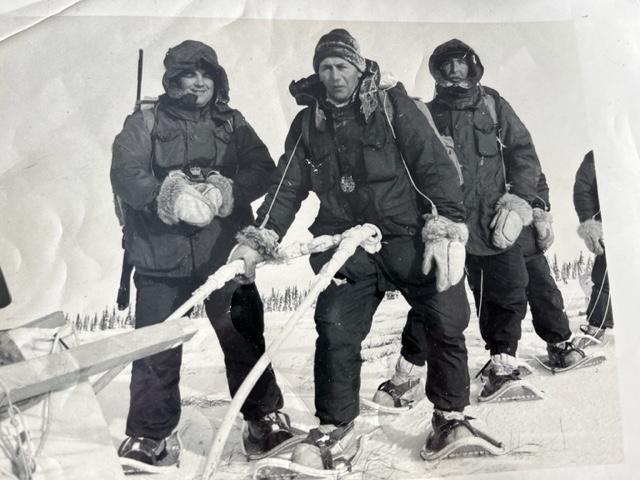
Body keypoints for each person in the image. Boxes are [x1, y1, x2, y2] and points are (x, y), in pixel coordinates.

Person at [230, 29, 501, 469]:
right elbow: (287, 185)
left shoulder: (395, 108)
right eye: (325, 68)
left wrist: (448, 225)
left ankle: (450, 418)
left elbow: (433, 166)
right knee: (334, 329)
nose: (334, 76)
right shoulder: (308, 122)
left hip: (408, 237)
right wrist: (260, 238)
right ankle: (335, 430)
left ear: (359, 68)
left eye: (342, 66)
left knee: (446, 316)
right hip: (348, 244)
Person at [110, 40, 293, 472]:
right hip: (158, 257)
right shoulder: (144, 122)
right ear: (171, 81)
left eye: (205, 75)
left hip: (221, 254)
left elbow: (263, 168)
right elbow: (125, 173)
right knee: (155, 346)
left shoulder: (232, 123)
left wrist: (224, 190)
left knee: (243, 337)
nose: (197, 83)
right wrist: (167, 196)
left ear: (217, 79)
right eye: (187, 75)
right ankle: (150, 436)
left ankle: (262, 420)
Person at [380, 39, 585, 405]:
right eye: (447, 66)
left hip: (496, 224)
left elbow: (524, 154)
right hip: (449, 227)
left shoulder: (493, 105)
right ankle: (405, 376)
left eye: (461, 64)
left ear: (473, 66)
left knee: (508, 292)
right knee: (436, 302)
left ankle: (502, 366)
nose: (455, 71)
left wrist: (520, 203)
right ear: (437, 72)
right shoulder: (425, 114)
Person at [573, 150, 614, 347]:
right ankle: (597, 326)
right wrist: (590, 223)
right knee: (605, 274)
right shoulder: (597, 154)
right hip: (614, 225)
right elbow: (582, 190)